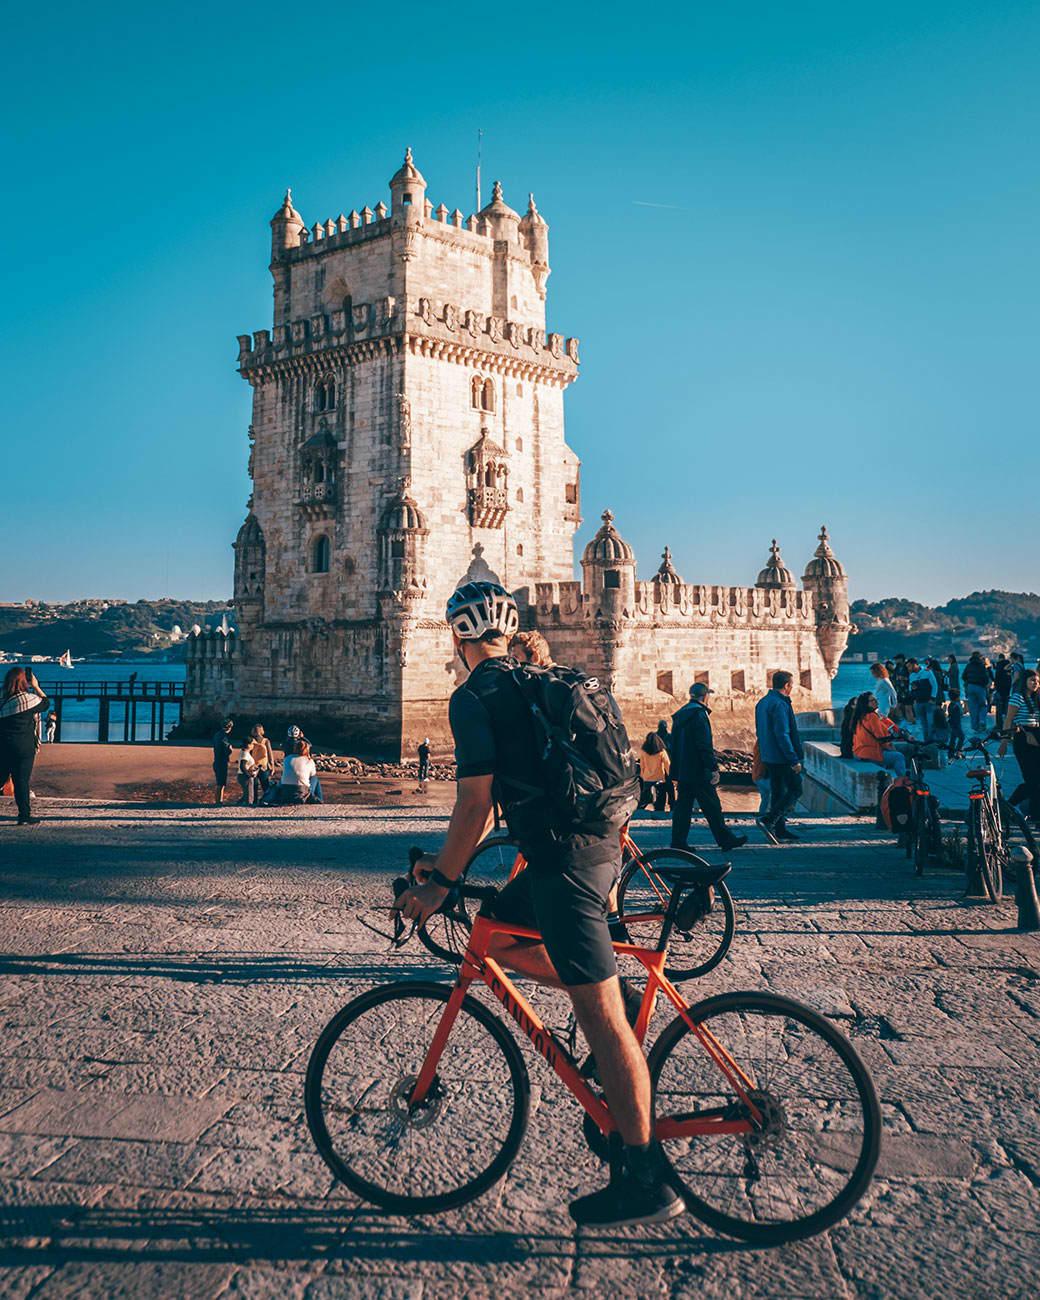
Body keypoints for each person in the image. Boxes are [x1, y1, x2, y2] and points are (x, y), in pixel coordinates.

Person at [395, 580, 682, 1228]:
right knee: (492, 935)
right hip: (589, 842)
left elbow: (474, 802)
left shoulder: (474, 697)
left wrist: (439, 882)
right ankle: (621, 1006)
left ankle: (646, 1175)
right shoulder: (535, 682)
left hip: (567, 860)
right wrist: (448, 871)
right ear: (505, 633)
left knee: (600, 1015)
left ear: (456, 638)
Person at [669, 684, 747, 852]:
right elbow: (704, 745)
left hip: (684, 771)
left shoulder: (680, 716)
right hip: (698, 771)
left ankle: (678, 842)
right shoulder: (699, 715)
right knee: (712, 807)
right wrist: (713, 768)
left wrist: (675, 771)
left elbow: (673, 746)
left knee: (683, 808)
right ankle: (725, 839)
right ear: (704, 697)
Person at [754, 670, 804, 844]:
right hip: (782, 757)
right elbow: (782, 733)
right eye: (791, 685)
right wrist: (793, 759)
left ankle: (779, 829)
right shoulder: (780, 704)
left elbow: (759, 730)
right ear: (787, 685)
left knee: (778, 792)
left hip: (768, 755)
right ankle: (769, 820)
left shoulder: (762, 702)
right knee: (796, 789)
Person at [0, 667, 50, 825]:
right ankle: (24, 817)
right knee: (21, 781)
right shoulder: (28, 700)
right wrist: (36, 686)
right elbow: (46, 703)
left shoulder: (1, 698)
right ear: (25, 681)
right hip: (24, 748)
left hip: (3, 746)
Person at [999, 668, 1040, 819]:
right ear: (1025, 682)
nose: (1035, 683)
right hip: (1023, 739)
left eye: (1037, 681)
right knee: (1032, 780)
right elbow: (1008, 720)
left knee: (1037, 782)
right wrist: (1004, 742)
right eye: (1032, 680)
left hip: (1037, 737)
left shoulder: (1037, 698)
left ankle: (1036, 817)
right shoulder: (1017, 698)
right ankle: (1008, 805)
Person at [851, 692, 906, 779]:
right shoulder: (872, 717)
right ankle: (904, 781)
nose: (876, 702)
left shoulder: (859, 717)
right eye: (872, 700)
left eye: (875, 700)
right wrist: (890, 748)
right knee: (899, 756)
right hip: (870, 753)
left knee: (889, 756)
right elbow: (881, 738)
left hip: (858, 753)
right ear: (866, 704)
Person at [272, 738, 319, 804]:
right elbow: (312, 774)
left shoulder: (287, 758)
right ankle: (317, 798)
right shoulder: (309, 761)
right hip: (300, 791)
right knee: (315, 778)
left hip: (285, 791)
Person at [636, 732, 669, 811]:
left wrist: (642, 776)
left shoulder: (643, 752)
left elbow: (642, 765)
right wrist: (670, 775)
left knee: (644, 799)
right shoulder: (662, 752)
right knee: (660, 799)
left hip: (647, 778)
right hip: (660, 779)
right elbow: (667, 764)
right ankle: (659, 810)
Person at [961, 651, 991, 735]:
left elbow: (963, 676)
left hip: (970, 687)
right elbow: (985, 677)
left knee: (973, 707)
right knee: (983, 705)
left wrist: (968, 681)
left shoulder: (969, 665)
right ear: (979, 657)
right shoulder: (981, 666)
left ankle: (975, 727)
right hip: (980, 687)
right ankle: (982, 721)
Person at [908, 659, 934, 742]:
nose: (908, 668)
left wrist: (932, 698)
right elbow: (911, 688)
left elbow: (934, 685)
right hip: (918, 702)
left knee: (931, 723)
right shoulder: (911, 676)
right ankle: (927, 741)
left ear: (915, 664)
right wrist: (913, 696)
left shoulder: (927, 672)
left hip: (928, 701)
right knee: (923, 724)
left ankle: (932, 740)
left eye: (909, 666)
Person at [249, 723, 276, 795]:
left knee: (257, 786)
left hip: (257, 766)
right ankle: (264, 800)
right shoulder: (264, 741)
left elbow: (249, 753)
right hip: (260, 766)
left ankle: (256, 802)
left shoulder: (253, 740)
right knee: (262, 786)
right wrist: (272, 766)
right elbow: (270, 755)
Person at [212, 719, 234, 805]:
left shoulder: (217, 734)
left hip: (216, 760)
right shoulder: (223, 736)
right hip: (222, 762)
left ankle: (218, 800)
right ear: (229, 727)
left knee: (219, 782)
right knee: (221, 783)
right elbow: (226, 750)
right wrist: (230, 749)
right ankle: (219, 801)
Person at [993, 654, 1014, 736]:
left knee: (999, 710)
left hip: (1000, 690)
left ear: (999, 658)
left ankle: (999, 725)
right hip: (1007, 690)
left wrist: (996, 687)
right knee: (1007, 710)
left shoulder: (998, 666)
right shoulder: (1008, 667)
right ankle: (1007, 726)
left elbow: (997, 678)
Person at [891, 655, 912, 724]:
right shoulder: (897, 668)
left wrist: (904, 678)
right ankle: (903, 721)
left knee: (908, 708)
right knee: (897, 707)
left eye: (897, 659)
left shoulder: (907, 667)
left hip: (907, 690)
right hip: (899, 690)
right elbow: (894, 678)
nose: (896, 661)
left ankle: (911, 722)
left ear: (901, 659)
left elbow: (912, 677)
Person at [946, 692, 966, 759]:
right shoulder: (956, 706)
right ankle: (958, 752)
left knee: (953, 739)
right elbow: (958, 716)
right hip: (956, 725)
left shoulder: (951, 705)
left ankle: (951, 753)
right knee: (962, 737)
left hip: (952, 724)